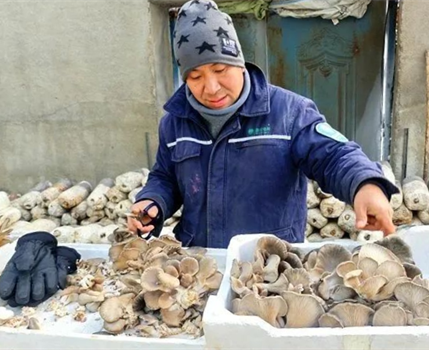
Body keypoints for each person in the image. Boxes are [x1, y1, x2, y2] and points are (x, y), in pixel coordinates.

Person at [128, 0, 399, 248]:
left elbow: (334, 155)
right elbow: (165, 176)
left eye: (220, 70)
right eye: (195, 76)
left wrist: (365, 185)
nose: (211, 88)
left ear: (240, 62)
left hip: (272, 263)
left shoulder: (290, 112)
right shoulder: (175, 122)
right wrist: (153, 202)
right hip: (203, 261)